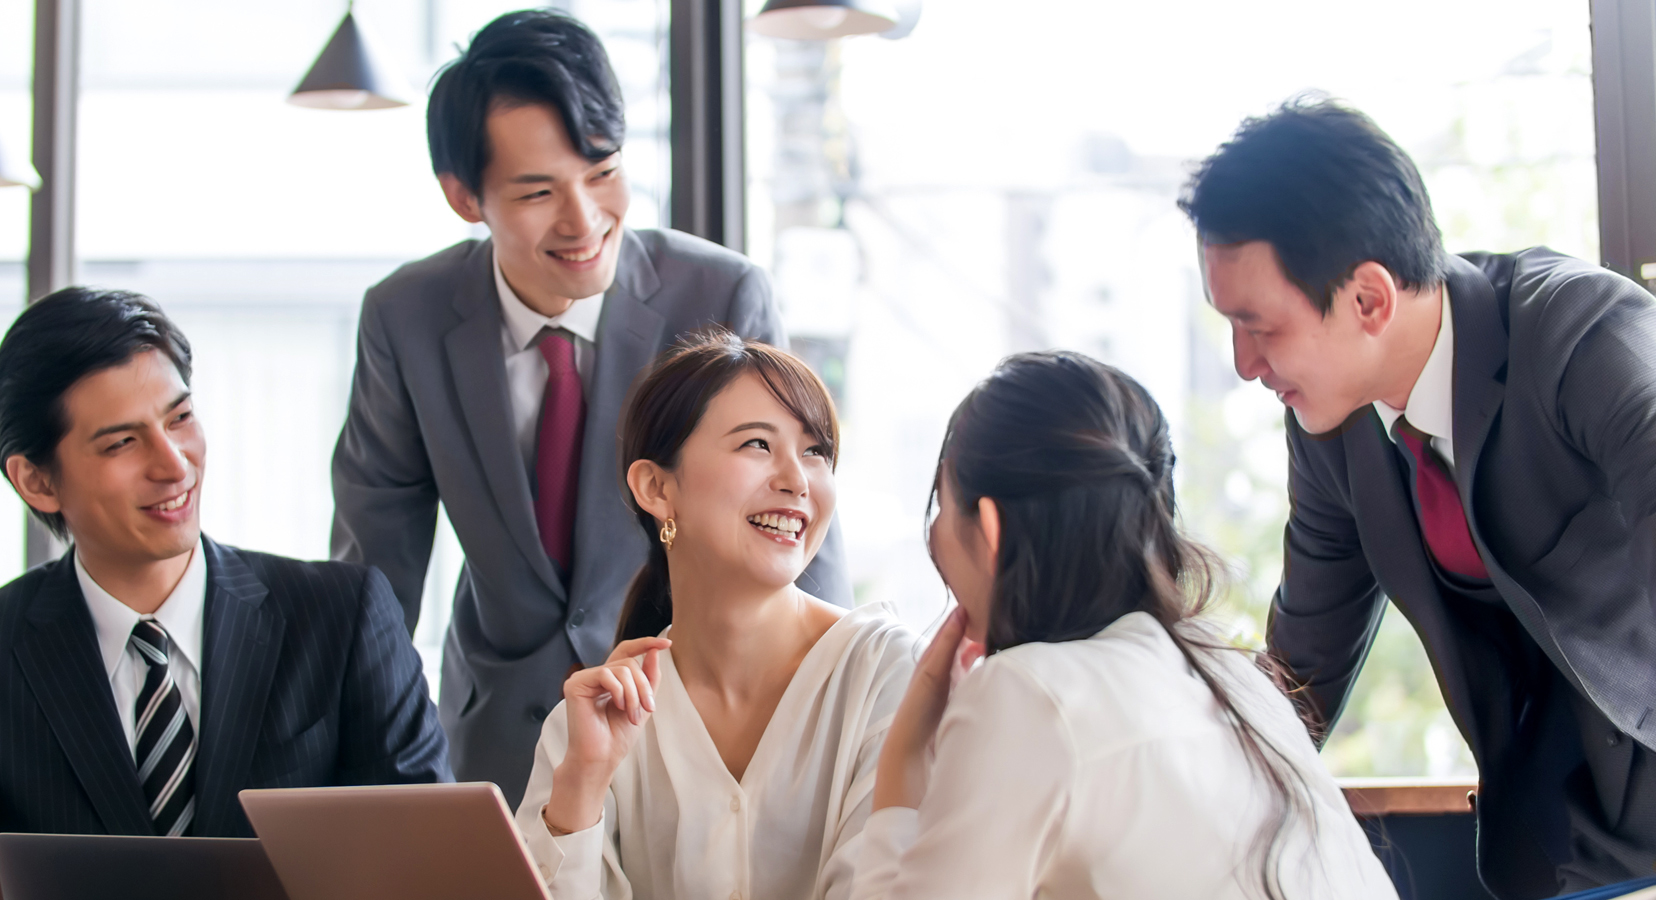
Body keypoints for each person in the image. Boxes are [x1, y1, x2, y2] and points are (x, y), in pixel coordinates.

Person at [329, 9, 849, 805]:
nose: (584, 221)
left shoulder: (719, 295)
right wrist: (368, 781)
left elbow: (799, 520)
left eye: (603, 172)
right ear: (464, 196)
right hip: (499, 746)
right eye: (538, 191)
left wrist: (830, 718)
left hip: (699, 729)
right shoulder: (408, 317)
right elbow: (374, 572)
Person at [1184, 96, 1656, 897]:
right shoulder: (1329, 430)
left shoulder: (1582, 333)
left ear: (1368, 298)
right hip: (1557, 847)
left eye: (1258, 327)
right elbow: (1305, 664)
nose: (1242, 363)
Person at [0, 288, 450, 900]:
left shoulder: (343, 616)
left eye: (179, 418)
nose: (175, 464)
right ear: (37, 481)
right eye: (123, 442)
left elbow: (432, 870)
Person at [850, 351, 1396, 900]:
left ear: (991, 530)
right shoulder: (1234, 677)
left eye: (940, 507)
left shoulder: (1026, 692)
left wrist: (901, 767)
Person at [513, 328, 914, 900]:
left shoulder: (886, 674)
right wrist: (582, 781)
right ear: (656, 487)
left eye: (815, 452)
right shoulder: (587, 726)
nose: (796, 481)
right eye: (757, 445)